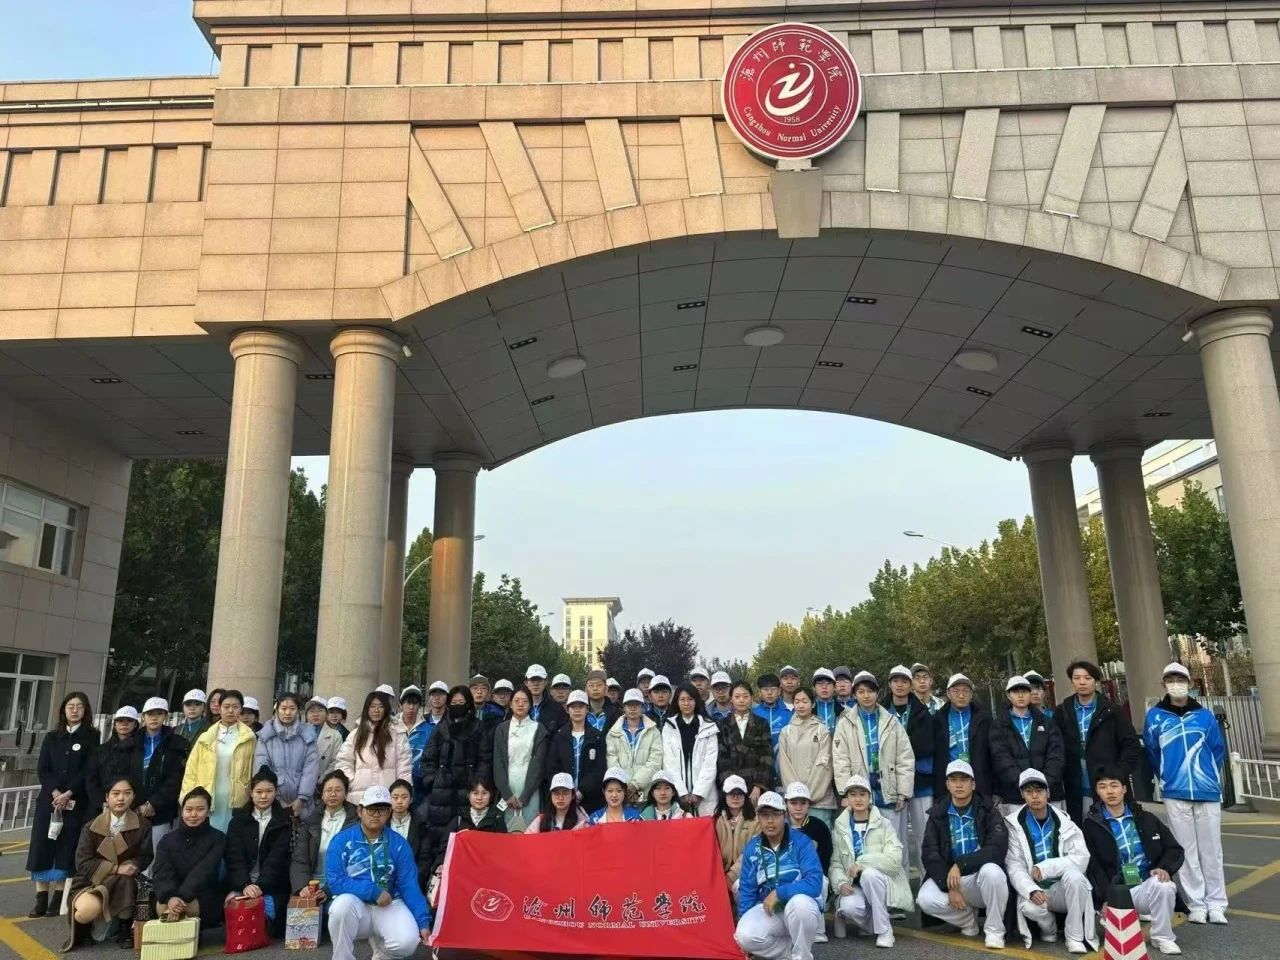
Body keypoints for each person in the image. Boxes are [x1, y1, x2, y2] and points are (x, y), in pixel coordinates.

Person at [1143, 661, 1227, 925]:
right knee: (1186, 851)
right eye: (1171, 680)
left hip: (1207, 791)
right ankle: (1196, 904)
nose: (1176, 684)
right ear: (1163, 684)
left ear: (1189, 683)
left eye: (1180, 679)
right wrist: (1167, 776)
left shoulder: (1205, 716)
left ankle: (1217, 903)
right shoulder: (1155, 717)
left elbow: (1217, 750)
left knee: (1211, 850)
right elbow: (1153, 752)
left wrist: (1208, 777)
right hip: (1175, 791)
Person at [1082, 765, 1184, 955]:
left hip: (1144, 886)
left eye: (1114, 785)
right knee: (1121, 942)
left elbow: (1174, 849)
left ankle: (1162, 937)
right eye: (1103, 787)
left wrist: (1164, 868)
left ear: (1124, 789)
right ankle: (1117, 913)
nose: (1109, 791)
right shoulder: (1092, 825)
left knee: (1165, 885)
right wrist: (1105, 899)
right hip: (1116, 892)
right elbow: (1093, 867)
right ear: (1097, 792)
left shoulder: (1146, 819)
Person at [325, 785, 432, 960]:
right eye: (371, 809)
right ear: (360, 811)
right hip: (355, 905)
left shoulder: (399, 843)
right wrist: (373, 891)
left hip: (389, 903)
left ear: (389, 812)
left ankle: (382, 954)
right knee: (340, 908)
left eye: (382, 810)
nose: (376, 814)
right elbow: (335, 881)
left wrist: (423, 921)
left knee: (408, 942)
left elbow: (409, 885)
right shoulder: (341, 840)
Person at [917, 759, 1009, 949]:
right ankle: (968, 919)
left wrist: (960, 865)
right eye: (954, 780)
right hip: (951, 877)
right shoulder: (937, 813)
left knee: (993, 872)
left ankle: (994, 931)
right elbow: (929, 853)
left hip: (979, 877)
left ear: (973, 784)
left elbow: (997, 849)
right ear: (947, 784)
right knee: (925, 899)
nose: (959, 784)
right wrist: (948, 886)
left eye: (964, 779)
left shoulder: (988, 809)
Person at [1004, 768, 1095, 953]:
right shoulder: (1014, 824)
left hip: (1061, 888)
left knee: (1076, 878)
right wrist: (1031, 889)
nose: (1034, 796)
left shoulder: (1066, 822)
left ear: (1048, 793)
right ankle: (1049, 928)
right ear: (1022, 795)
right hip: (1036, 889)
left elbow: (1081, 858)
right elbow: (1014, 865)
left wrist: (1045, 868)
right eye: (1029, 791)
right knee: (1030, 908)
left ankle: (1074, 937)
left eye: (1039, 791)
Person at [63, 777, 153, 951]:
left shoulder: (143, 825)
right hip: (90, 880)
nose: (121, 798)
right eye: (116, 793)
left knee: (126, 881)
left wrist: (132, 865)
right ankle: (85, 928)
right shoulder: (91, 826)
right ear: (107, 797)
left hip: (125, 880)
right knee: (86, 912)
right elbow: (82, 862)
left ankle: (124, 927)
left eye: (127, 793)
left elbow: (145, 855)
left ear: (134, 796)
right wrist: (115, 868)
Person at [28, 692, 96, 919]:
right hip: (49, 800)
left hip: (75, 801)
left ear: (85, 710)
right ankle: (40, 898)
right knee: (42, 845)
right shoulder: (52, 736)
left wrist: (68, 793)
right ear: (63, 709)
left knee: (65, 847)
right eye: (70, 706)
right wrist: (56, 792)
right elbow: (43, 769)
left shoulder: (92, 737)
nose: (74, 710)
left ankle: (57, 898)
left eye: (79, 706)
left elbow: (88, 770)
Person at [734, 790, 824, 960]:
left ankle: (802, 956)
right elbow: (747, 889)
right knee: (744, 936)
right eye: (764, 815)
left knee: (801, 905)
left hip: (797, 906)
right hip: (768, 909)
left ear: (785, 816)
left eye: (775, 814)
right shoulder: (752, 847)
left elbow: (815, 883)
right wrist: (745, 920)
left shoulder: (801, 842)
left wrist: (780, 893)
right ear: (758, 818)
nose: (770, 820)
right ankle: (790, 951)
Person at [1053, 660, 1142, 825]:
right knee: (1080, 829)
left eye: (1087, 678)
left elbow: (1131, 745)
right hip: (1075, 787)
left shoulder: (1111, 710)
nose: (1082, 682)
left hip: (1106, 784)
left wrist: (1119, 773)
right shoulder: (1062, 711)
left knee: (1111, 828)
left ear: (1096, 681)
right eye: (1076, 678)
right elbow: (1055, 746)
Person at [829, 775, 912, 947]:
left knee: (869, 875)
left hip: (881, 882)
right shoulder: (840, 826)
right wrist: (840, 883)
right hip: (854, 884)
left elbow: (894, 862)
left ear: (870, 797)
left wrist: (862, 863)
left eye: (862, 794)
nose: (858, 799)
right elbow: (836, 863)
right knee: (850, 907)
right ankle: (879, 923)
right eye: (853, 795)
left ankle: (884, 931)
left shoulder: (884, 824)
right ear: (847, 799)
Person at [832, 671, 913, 845]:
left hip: (888, 792)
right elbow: (840, 761)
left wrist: (903, 793)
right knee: (865, 844)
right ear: (855, 694)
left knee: (895, 843)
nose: (866, 696)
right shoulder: (845, 723)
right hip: (859, 793)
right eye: (861, 692)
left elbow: (905, 758)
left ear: (878, 693)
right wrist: (844, 793)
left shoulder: (892, 721)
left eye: (870, 691)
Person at [419, 686, 491, 866]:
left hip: (469, 791)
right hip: (441, 792)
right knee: (439, 839)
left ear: (468, 704)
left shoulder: (478, 727)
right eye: (454, 702)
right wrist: (433, 780)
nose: (457, 705)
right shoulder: (441, 728)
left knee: (467, 839)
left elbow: (485, 759)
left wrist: (478, 785)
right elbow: (428, 758)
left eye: (461, 702)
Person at [224, 767, 293, 936]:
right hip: (242, 883)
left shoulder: (284, 821)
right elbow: (234, 858)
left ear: (276, 792)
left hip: (271, 885)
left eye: (269, 791)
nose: (263, 796)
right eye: (259, 792)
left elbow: (277, 859)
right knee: (232, 906)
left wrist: (260, 886)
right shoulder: (238, 821)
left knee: (266, 916)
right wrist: (245, 885)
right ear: (251, 793)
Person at [181, 689, 259, 834]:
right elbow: (191, 770)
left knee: (232, 837)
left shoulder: (249, 738)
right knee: (207, 838)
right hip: (208, 795)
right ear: (220, 708)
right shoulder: (206, 737)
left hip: (236, 798)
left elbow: (253, 769)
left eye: (235, 707)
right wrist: (187, 796)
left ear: (240, 709)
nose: (230, 711)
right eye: (226, 706)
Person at [883, 663, 933, 873]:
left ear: (910, 685)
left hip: (921, 783)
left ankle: (928, 882)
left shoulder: (923, 712)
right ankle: (900, 886)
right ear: (890, 684)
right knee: (896, 840)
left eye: (904, 681)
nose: (900, 685)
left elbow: (928, 745)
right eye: (896, 681)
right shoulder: (881, 712)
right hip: (892, 783)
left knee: (925, 838)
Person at [990, 676, 1065, 814]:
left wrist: (1042, 785)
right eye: (1015, 692)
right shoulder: (998, 725)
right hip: (1015, 796)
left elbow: (1056, 755)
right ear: (1008, 695)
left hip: (1049, 794)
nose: (1020, 695)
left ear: (1030, 694)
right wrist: (1024, 785)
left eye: (1024, 691)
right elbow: (1001, 758)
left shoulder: (1048, 722)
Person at [152, 787, 226, 924]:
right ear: (182, 811)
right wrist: (170, 897)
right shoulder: (167, 840)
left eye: (200, 809)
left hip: (203, 895)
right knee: (162, 907)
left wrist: (181, 898)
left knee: (187, 908)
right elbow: (162, 872)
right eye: (189, 809)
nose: (193, 814)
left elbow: (204, 871)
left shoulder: (218, 838)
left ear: (208, 811)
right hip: (171, 897)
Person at [132, 697, 190, 861]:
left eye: (159, 713)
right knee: (133, 857)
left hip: (161, 811)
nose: (154, 717)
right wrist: (136, 804)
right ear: (143, 716)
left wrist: (153, 803)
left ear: (165, 716)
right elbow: (124, 775)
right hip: (133, 809)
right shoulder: (132, 742)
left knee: (158, 856)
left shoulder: (177, 743)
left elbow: (176, 777)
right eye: (150, 714)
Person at [336, 690, 413, 805]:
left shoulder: (398, 733)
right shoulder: (356, 734)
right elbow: (343, 762)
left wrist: (402, 793)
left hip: (388, 796)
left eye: (380, 706)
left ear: (386, 709)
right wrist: (352, 781)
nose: (376, 710)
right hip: (359, 798)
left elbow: (404, 767)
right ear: (366, 709)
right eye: (372, 706)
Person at [292, 770, 358, 902]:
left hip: (344, 887)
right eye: (328, 790)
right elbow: (300, 859)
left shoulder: (357, 821)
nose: (333, 794)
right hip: (312, 886)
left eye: (338, 790)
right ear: (322, 795)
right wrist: (303, 886)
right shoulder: (310, 822)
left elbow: (356, 863)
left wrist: (328, 890)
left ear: (346, 793)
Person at [255, 691, 320, 821]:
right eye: (283, 708)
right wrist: (274, 796)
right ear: (277, 710)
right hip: (273, 800)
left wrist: (302, 797)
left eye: (292, 708)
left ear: (298, 711)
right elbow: (262, 767)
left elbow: (311, 769)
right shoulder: (266, 736)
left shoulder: (308, 735)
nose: (288, 713)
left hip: (303, 803)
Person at [493, 686, 549, 832]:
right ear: (510, 704)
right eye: (516, 701)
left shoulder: (539, 729)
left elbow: (539, 764)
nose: (520, 704)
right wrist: (507, 794)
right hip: (507, 790)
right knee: (506, 833)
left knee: (530, 832)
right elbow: (498, 762)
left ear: (530, 705)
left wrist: (525, 795)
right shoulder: (502, 729)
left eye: (525, 701)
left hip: (531, 790)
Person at [777, 688, 836, 826]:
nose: (801, 705)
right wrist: (797, 796)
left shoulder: (822, 730)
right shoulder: (786, 732)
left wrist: (810, 796)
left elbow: (825, 765)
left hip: (820, 801)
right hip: (795, 803)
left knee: (820, 837)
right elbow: (785, 766)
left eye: (805, 701)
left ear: (813, 703)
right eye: (797, 702)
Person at [662, 682, 720, 816]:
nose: (686, 703)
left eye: (690, 699)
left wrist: (699, 792)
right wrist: (681, 792)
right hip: (678, 791)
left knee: (704, 826)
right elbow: (669, 761)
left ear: (696, 701)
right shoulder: (669, 726)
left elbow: (710, 762)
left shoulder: (709, 726)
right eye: (682, 699)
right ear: (677, 702)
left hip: (705, 794)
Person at [932, 673, 993, 799]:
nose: (961, 695)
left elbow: (993, 753)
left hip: (979, 780)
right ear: (948, 694)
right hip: (949, 780)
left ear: (971, 694)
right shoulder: (938, 719)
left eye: (965, 691)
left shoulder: (984, 718)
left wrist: (995, 788)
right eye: (956, 691)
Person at [548, 689, 607, 812]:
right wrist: (566, 791)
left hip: (591, 799)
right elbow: (552, 767)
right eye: (573, 707)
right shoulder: (559, 736)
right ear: (567, 709)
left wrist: (582, 791)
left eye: (581, 706)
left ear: (587, 709)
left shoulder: (597, 736)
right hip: (563, 798)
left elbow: (600, 769)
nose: (577, 710)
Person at [716, 680, 774, 804]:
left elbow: (766, 756)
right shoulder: (722, 724)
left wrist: (758, 786)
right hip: (731, 787)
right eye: (737, 696)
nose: (741, 700)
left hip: (755, 787)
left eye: (745, 696)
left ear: (751, 698)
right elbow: (721, 758)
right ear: (731, 699)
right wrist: (732, 786)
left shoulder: (762, 723)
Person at [605, 687, 663, 800]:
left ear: (642, 707)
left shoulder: (653, 731)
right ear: (624, 707)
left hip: (646, 792)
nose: (632, 708)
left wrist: (635, 784)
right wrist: (624, 786)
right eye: (629, 704)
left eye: (636, 704)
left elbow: (655, 762)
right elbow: (612, 761)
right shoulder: (613, 733)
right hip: (620, 793)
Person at [87, 706, 140, 808]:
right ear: (114, 724)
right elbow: (91, 779)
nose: (124, 724)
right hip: (102, 807)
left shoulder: (141, 750)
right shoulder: (100, 750)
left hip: (130, 807)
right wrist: (102, 802)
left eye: (129, 720)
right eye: (120, 720)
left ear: (135, 724)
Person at [714, 776, 759, 894]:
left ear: (745, 797)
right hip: (719, 874)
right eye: (731, 793)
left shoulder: (756, 822)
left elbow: (753, 853)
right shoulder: (715, 821)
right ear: (724, 796)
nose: (735, 797)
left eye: (739, 793)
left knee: (739, 887)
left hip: (747, 874)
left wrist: (731, 876)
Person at [783, 782, 833, 878]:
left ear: (809, 804)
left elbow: (826, 856)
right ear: (786, 804)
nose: (798, 808)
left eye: (803, 803)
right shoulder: (780, 827)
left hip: (814, 876)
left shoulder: (819, 826)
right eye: (793, 803)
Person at [387, 779, 430, 884]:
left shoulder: (421, 825)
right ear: (389, 799)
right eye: (395, 797)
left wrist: (412, 882)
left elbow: (424, 859)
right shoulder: (381, 824)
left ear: (411, 799)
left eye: (404, 797)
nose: (399, 801)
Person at [395, 685, 431, 801]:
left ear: (419, 706)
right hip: (394, 787)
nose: (411, 707)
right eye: (408, 703)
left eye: (415, 703)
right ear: (400, 705)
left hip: (421, 789)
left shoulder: (430, 730)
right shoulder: (391, 727)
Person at [752, 673, 789, 756]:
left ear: (779, 691)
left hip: (782, 760)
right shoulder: (753, 713)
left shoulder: (787, 714)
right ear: (759, 692)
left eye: (773, 689)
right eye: (765, 689)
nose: (769, 693)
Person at [307, 696, 344, 775]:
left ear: (327, 714)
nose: (315, 714)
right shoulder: (299, 734)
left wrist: (323, 779)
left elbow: (336, 761)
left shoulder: (335, 735)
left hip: (324, 779)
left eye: (320, 711)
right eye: (312, 711)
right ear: (307, 715)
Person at [524, 664, 567, 734]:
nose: (536, 683)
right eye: (532, 680)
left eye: (539, 680)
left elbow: (563, 735)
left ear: (546, 682)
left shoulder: (557, 709)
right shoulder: (519, 707)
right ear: (526, 683)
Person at [812, 668, 843, 733]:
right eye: (820, 683)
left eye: (828, 683)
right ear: (814, 688)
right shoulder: (807, 710)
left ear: (834, 687)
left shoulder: (845, 711)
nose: (824, 687)